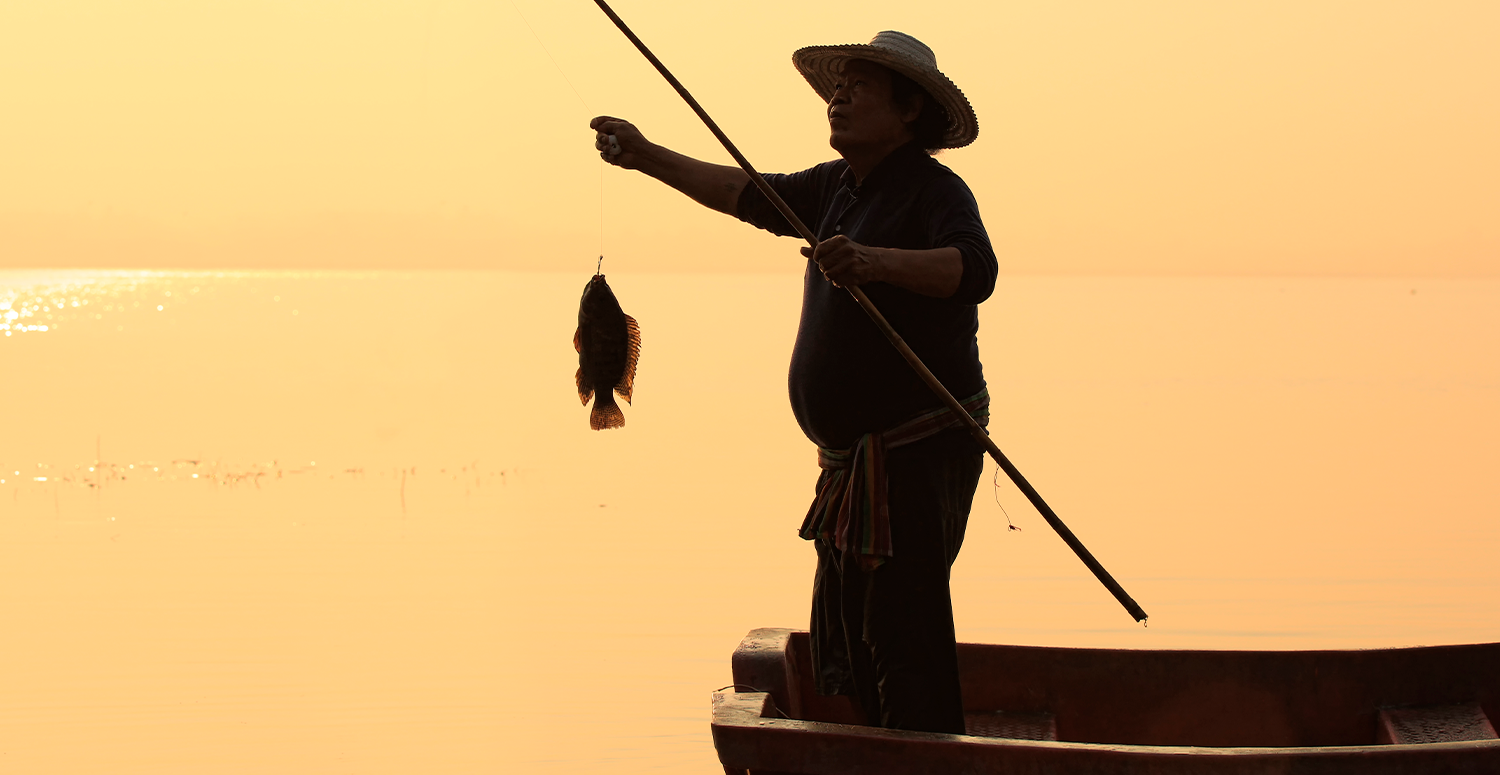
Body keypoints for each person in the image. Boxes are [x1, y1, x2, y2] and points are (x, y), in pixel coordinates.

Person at [591, 31, 995, 734]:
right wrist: (646, 154)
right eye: (838, 87)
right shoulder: (835, 188)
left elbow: (973, 271)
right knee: (858, 632)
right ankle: (880, 747)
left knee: (904, 628)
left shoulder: (934, 191)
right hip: (852, 467)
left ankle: (927, 754)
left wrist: (874, 262)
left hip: (917, 452)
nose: (838, 97)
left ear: (907, 112)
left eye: (859, 88)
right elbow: (742, 191)